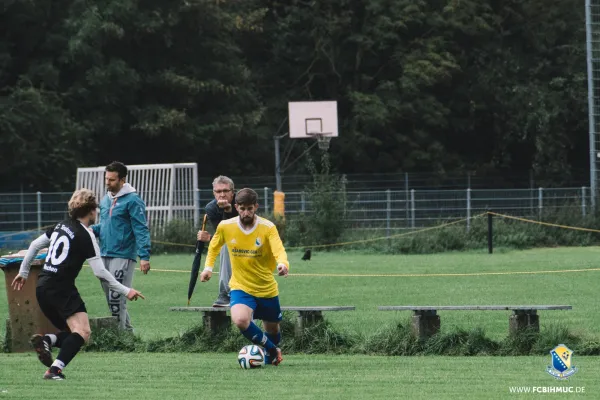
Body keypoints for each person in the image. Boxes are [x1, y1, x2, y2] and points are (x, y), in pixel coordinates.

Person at [12, 189, 145, 380]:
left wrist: (23, 273)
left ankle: (47, 341)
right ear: (92, 211)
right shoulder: (85, 235)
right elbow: (100, 272)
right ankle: (54, 370)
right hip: (61, 289)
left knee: (74, 334)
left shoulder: (60, 225)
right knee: (83, 332)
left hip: (42, 287)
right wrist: (126, 290)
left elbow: (34, 245)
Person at [200, 188, 289, 366]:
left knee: (272, 328)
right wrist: (208, 268)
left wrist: (282, 264)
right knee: (240, 320)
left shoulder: (267, 227)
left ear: (256, 206)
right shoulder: (226, 226)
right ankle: (272, 349)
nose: (246, 213)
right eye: (242, 208)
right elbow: (214, 247)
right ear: (236, 207)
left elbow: (278, 249)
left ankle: (270, 352)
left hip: (266, 287)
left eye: (249, 208)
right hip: (240, 286)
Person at [91, 161, 151, 331]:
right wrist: (87, 230)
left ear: (122, 180)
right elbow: (104, 226)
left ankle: (119, 337)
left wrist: (144, 256)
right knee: (111, 298)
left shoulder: (133, 200)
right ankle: (127, 335)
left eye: (111, 180)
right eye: (106, 179)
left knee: (117, 296)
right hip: (104, 254)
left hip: (123, 254)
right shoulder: (105, 200)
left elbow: (141, 228)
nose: (107, 183)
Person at [197, 175, 238, 307]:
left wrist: (229, 210)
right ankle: (225, 293)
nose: (222, 195)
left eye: (225, 191)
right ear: (214, 193)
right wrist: (210, 238)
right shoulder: (211, 208)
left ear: (233, 192)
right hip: (230, 243)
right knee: (226, 244)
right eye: (218, 191)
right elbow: (223, 235)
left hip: (252, 239)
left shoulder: (242, 201)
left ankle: (227, 294)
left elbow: (244, 227)